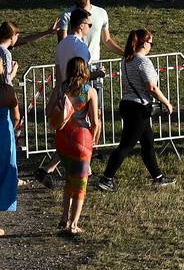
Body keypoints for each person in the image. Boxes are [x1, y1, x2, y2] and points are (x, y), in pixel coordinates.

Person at [96, 29, 176, 191]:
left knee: (147, 143)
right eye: (151, 43)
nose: (151, 46)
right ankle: (107, 178)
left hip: (127, 104)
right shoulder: (143, 62)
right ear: (144, 43)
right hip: (139, 108)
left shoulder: (126, 60)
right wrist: (167, 102)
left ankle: (158, 177)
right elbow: (152, 87)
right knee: (126, 145)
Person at [47, 55, 99, 236]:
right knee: (80, 184)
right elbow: (95, 121)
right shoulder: (89, 91)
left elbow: (48, 111)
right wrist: (94, 140)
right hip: (81, 138)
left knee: (69, 179)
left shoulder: (61, 88)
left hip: (63, 137)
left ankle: (63, 216)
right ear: (85, 71)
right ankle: (73, 224)